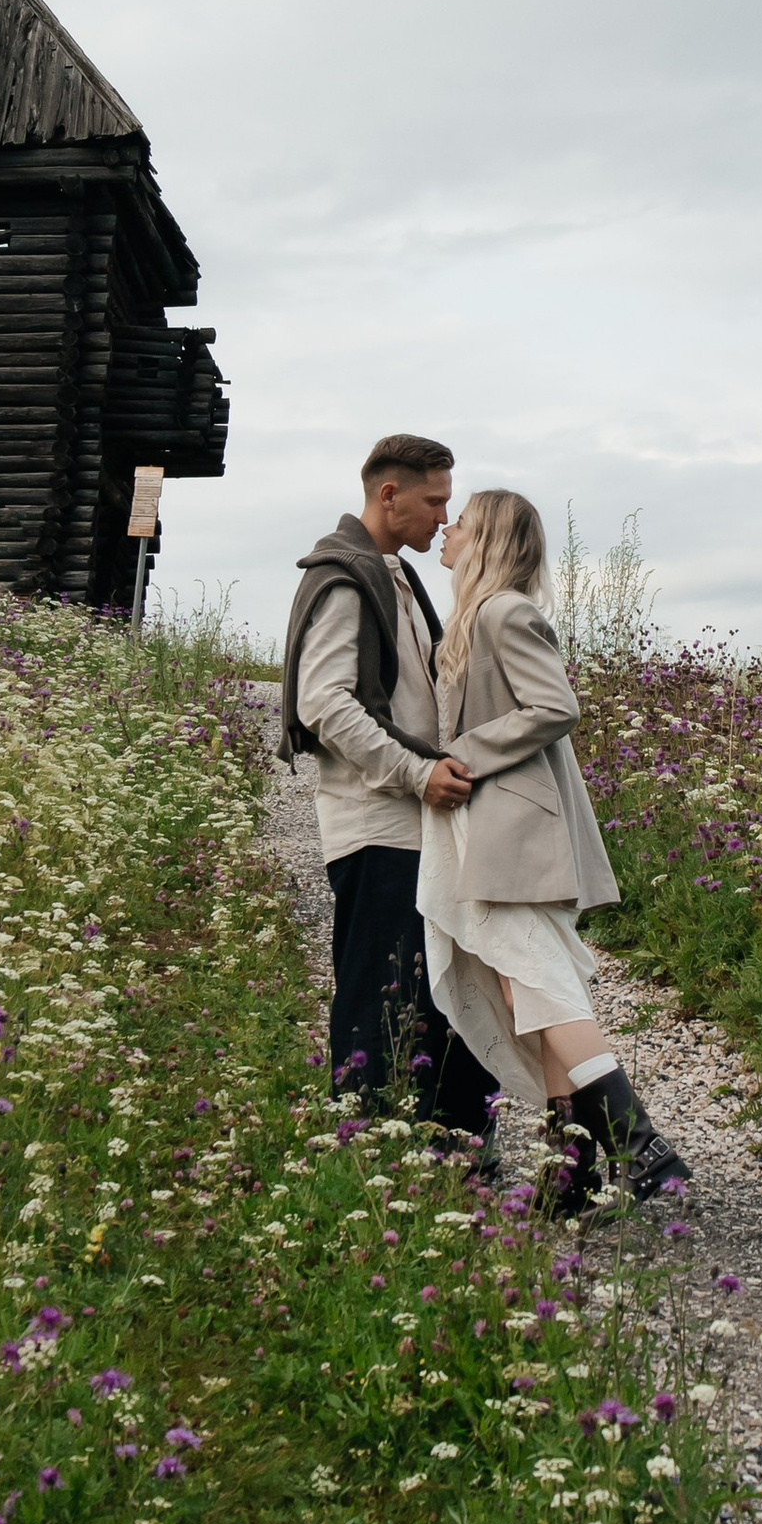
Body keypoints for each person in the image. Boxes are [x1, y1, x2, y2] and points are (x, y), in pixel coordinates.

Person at [415, 484, 687, 1206]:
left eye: (461, 523)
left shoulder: (504, 613)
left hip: (515, 830)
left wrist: (464, 752)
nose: (446, 530)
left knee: (537, 981)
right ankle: (569, 1176)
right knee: (522, 986)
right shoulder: (476, 617)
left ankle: (643, 1148)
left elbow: (556, 707)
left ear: (488, 540)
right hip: (493, 831)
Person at [279, 432, 499, 1148]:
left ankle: (447, 1149)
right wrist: (419, 771)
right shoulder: (346, 578)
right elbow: (325, 703)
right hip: (377, 824)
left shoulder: (394, 574)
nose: (443, 517)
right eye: (434, 500)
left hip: (410, 825)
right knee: (383, 998)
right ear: (388, 493)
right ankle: (370, 1161)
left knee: (435, 995)